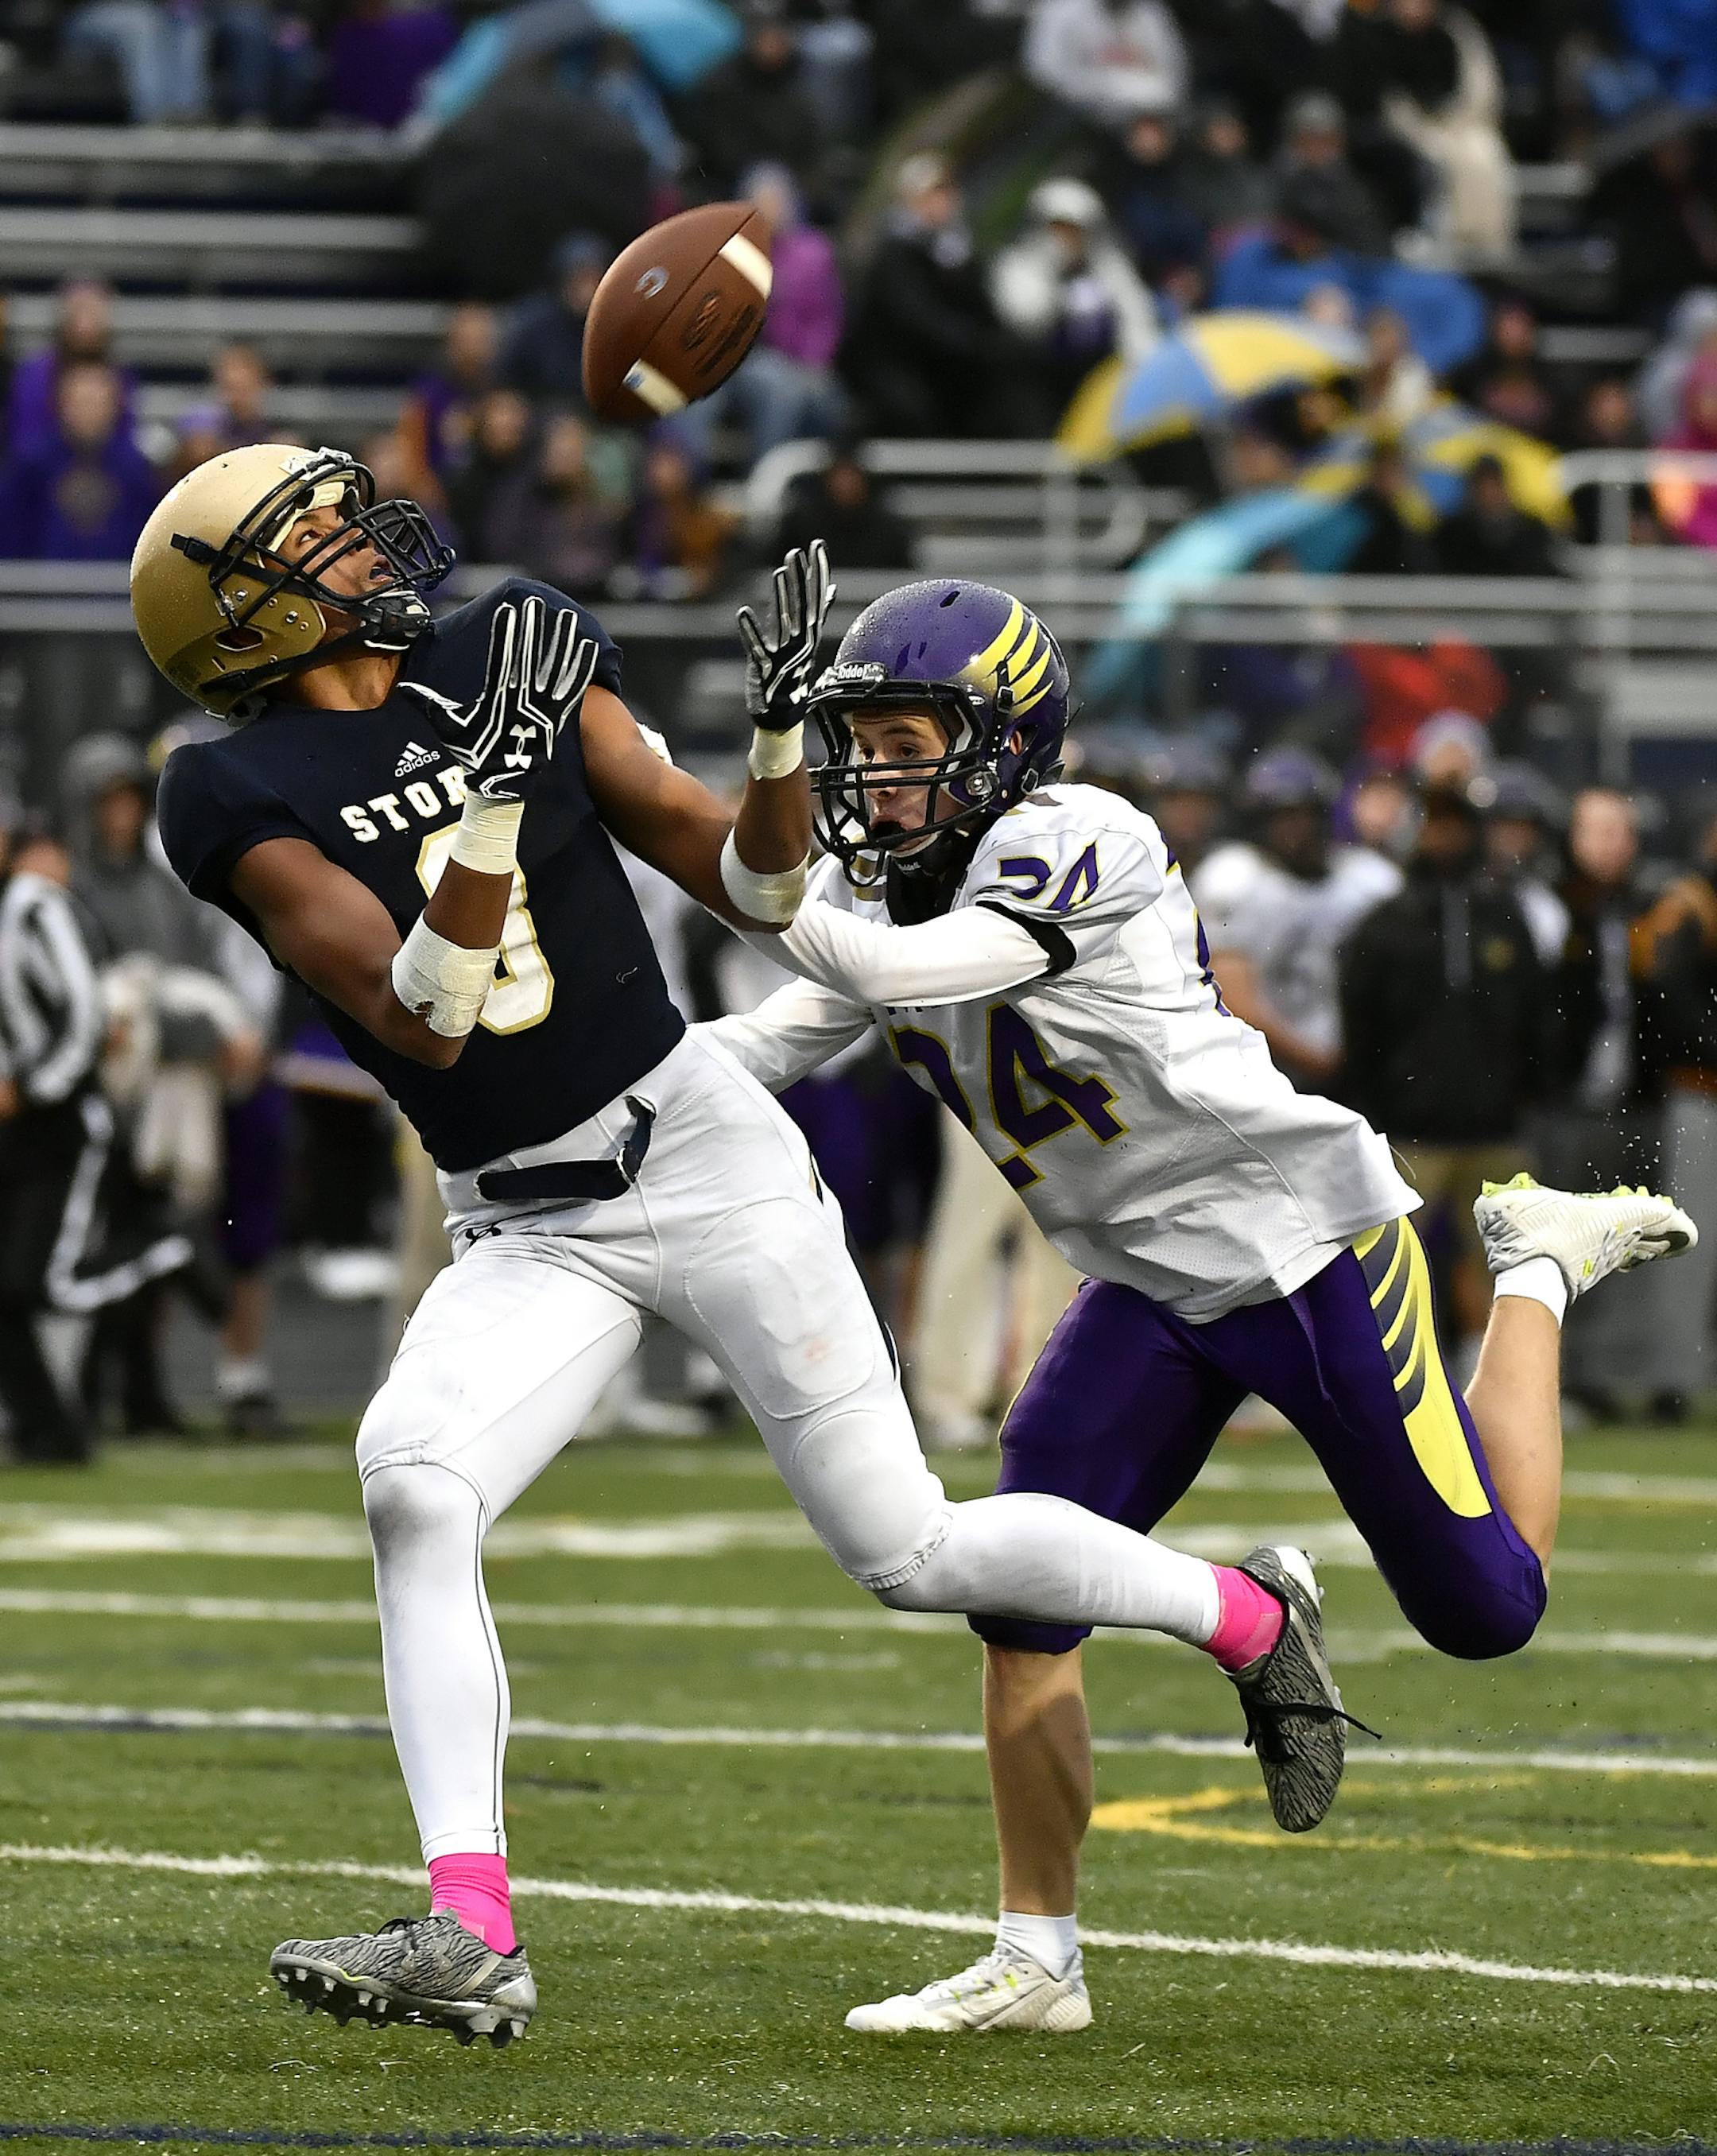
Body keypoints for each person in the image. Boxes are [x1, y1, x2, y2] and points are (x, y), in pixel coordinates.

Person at [137, 445, 1355, 2044]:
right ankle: (470, 1923)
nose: (359, 542)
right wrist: (499, 795)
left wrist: (778, 733)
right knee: (414, 1486)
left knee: (908, 1551)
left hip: (705, 1154)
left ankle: (1254, 1621)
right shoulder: (224, 790)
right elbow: (424, 1018)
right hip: (526, 1221)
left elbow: (751, 877)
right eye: (311, 537)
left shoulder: (503, 639)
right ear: (239, 621)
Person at [704, 575, 1694, 2033]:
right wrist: (586, 1078)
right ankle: (1039, 1957)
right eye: (857, 744)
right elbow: (762, 1045)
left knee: (1489, 1610)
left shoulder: (1082, 837)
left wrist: (731, 850)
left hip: (1304, 1251)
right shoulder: (866, 892)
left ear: (999, 743)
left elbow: (919, 967)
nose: (876, 777)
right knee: (1020, 1585)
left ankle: (1537, 1265)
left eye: (908, 741)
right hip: (1145, 1284)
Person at [1340, 780, 1556, 1363]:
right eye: (1437, 824)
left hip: (1496, 1130)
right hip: (1411, 1130)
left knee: (1515, 1270)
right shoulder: (1387, 922)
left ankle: (1505, 1380)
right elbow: (1360, 1024)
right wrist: (1375, 1110)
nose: (1447, 837)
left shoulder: (1504, 915)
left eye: (1457, 825)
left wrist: (1525, 1095)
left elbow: (1536, 1016)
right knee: (1387, 1267)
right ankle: (1378, 1376)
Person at [1192, 748, 1401, 1091]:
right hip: (1266, 1072)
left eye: (1306, 815)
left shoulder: (1371, 881)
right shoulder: (1234, 878)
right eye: (1284, 816)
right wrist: (1322, 1063)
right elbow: (1232, 995)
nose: (1296, 828)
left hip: (1360, 1070)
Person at [990, 177, 1159, 418]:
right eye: (1060, 228)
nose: (1069, 237)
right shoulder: (1020, 266)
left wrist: (1140, 368)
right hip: (1048, 382)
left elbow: (1136, 318)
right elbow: (1028, 318)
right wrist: (1056, 272)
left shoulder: (1109, 266)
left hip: (1106, 379)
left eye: (1076, 229)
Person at [0, 362, 161, 561]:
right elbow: (11, 534)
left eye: (98, 402)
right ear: (60, 404)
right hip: (39, 585)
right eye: (81, 401)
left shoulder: (137, 470)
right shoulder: (31, 466)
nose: (89, 411)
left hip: (117, 586)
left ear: (115, 406)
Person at [1022, 0, 1189, 128]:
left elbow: (1173, 80)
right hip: (1073, 111)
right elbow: (1043, 71)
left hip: (1141, 116)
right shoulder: (1061, 12)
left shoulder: (1149, 13)